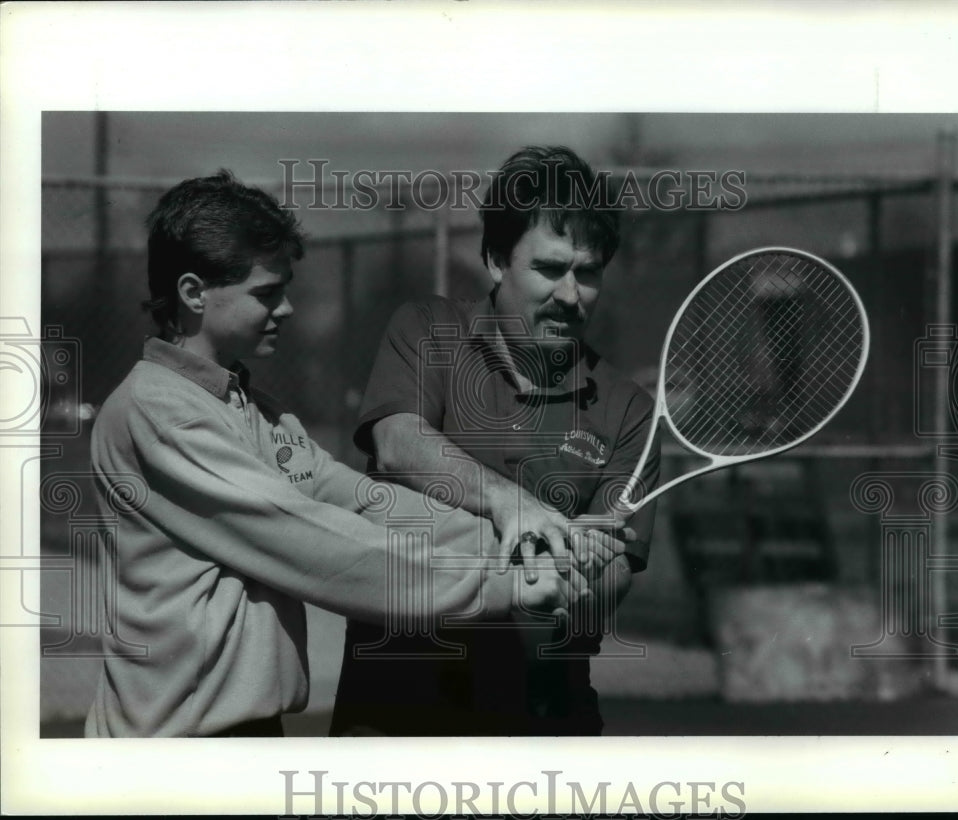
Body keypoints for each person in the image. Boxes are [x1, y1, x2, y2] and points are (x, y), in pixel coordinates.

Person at [85, 170, 580, 738]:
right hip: (170, 753)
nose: (289, 308)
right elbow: (312, 538)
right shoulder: (156, 409)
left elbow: (360, 500)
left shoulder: (254, 409)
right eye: (266, 293)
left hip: (241, 735)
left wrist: (524, 540)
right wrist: (501, 585)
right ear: (194, 293)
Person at [330, 146, 661, 736]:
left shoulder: (628, 410)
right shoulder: (427, 329)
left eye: (587, 273)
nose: (570, 295)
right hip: (397, 706)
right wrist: (516, 506)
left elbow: (612, 581)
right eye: (549, 269)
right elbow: (398, 442)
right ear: (494, 260)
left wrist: (571, 588)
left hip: (544, 715)